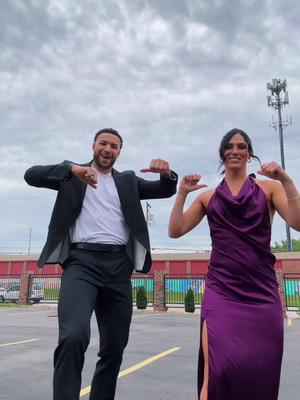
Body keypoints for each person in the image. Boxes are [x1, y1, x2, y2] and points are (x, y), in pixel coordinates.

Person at [24, 128, 178, 400]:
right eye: (103, 143)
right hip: (81, 264)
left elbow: (163, 190)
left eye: (114, 146)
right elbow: (31, 175)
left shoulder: (128, 181)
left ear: (120, 152)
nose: (108, 149)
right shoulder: (72, 175)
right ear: (93, 145)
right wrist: (71, 169)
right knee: (73, 336)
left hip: (118, 266)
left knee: (115, 346)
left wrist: (167, 175)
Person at [168, 128, 300, 400]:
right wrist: (182, 193)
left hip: (261, 296)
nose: (236, 150)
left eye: (242, 146)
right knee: (216, 372)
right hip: (222, 294)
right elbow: (175, 230)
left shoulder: (269, 189)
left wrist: (286, 180)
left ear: (249, 153)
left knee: (260, 374)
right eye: (230, 146)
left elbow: (298, 223)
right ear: (222, 154)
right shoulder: (208, 197)